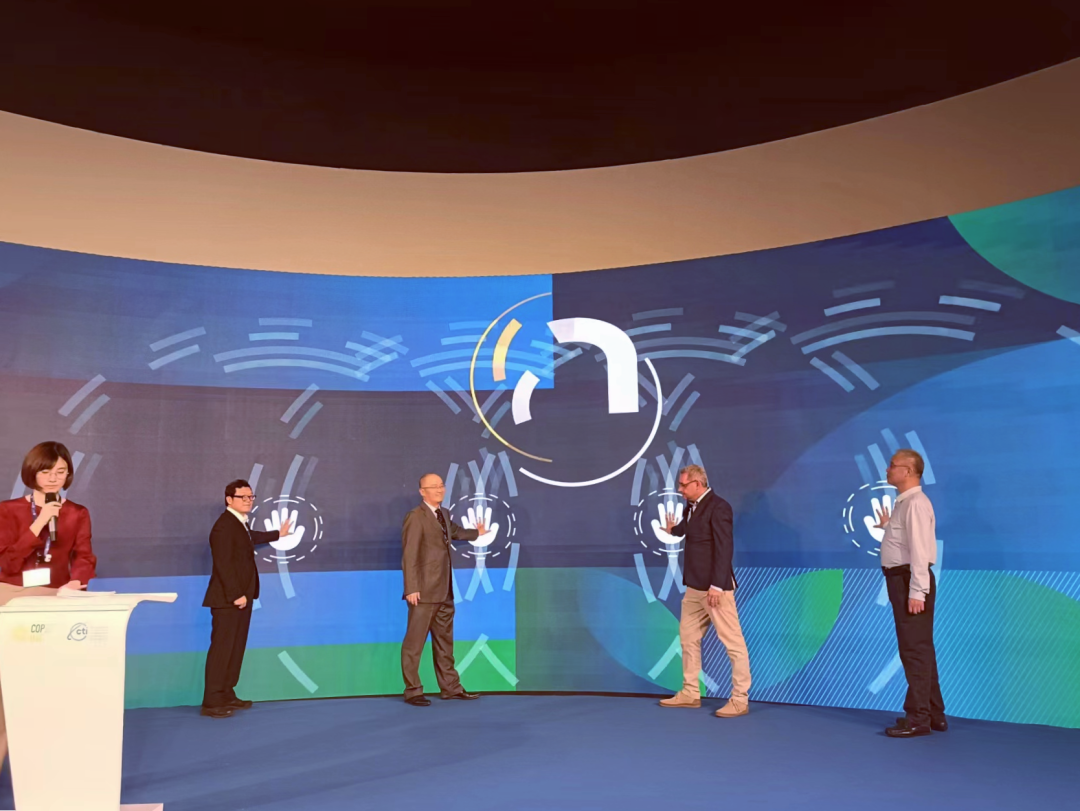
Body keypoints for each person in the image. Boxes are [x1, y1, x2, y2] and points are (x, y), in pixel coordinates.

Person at [0, 441, 96, 765]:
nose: (54, 478)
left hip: (56, 599)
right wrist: (39, 522)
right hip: (12, 599)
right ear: (33, 472)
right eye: (46, 471)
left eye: (61, 471)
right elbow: (7, 563)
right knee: (9, 689)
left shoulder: (77, 513)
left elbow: (84, 556)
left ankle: (47, 763)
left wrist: (77, 581)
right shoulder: (8, 510)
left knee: (48, 685)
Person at [658, 464, 752, 718]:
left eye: (683, 485)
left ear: (697, 484)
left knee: (733, 643)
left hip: (715, 589)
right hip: (694, 588)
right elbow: (689, 530)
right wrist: (673, 530)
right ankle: (690, 692)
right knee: (688, 639)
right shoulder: (692, 506)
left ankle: (740, 699)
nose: (680, 489)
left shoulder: (719, 507)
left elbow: (724, 548)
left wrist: (717, 585)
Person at [201, 479, 291, 718]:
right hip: (228, 600)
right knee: (222, 650)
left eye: (251, 497)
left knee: (235, 648)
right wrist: (236, 595)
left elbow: (252, 537)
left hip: (242, 599)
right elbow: (223, 564)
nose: (248, 501)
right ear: (229, 499)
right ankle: (212, 701)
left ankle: (227, 693)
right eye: (243, 497)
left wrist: (278, 534)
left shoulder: (238, 523)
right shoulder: (223, 526)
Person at [874, 449, 946, 738]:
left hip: (908, 582)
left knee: (913, 649)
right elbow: (907, 541)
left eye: (893, 465)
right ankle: (934, 714)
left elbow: (920, 551)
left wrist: (917, 590)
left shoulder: (915, 503)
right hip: (904, 580)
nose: (888, 469)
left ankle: (918, 718)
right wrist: (888, 527)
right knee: (920, 647)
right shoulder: (906, 503)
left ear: (908, 471)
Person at [400, 473, 485, 706]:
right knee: (414, 645)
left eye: (441, 486)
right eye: (433, 486)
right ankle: (413, 691)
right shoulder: (415, 517)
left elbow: (455, 531)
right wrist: (412, 587)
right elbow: (409, 554)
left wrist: (476, 533)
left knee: (445, 644)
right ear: (422, 491)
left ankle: (451, 688)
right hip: (423, 592)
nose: (439, 490)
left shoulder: (444, 514)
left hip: (444, 591)